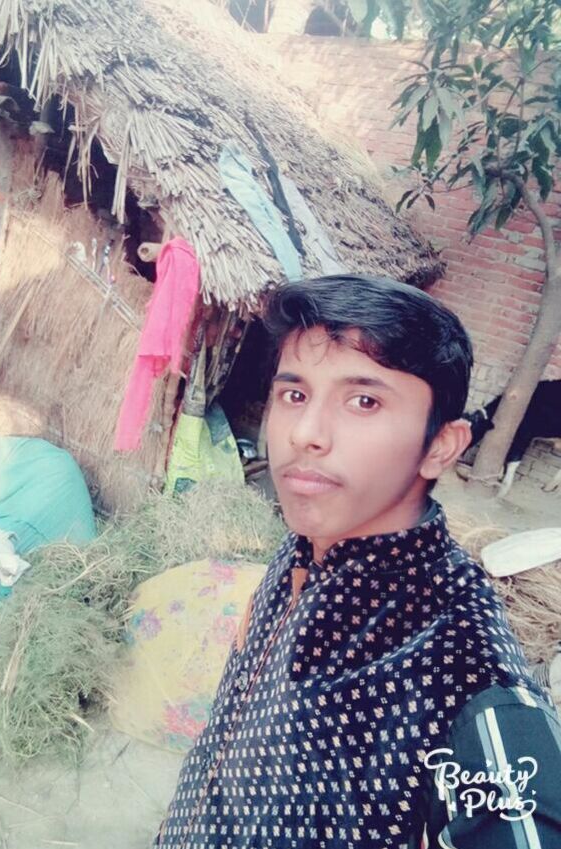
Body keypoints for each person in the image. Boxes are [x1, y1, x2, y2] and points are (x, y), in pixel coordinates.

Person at [154, 275, 561, 849]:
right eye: (295, 395)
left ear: (440, 446)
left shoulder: (468, 678)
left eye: (364, 401)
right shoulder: (305, 546)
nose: (305, 434)